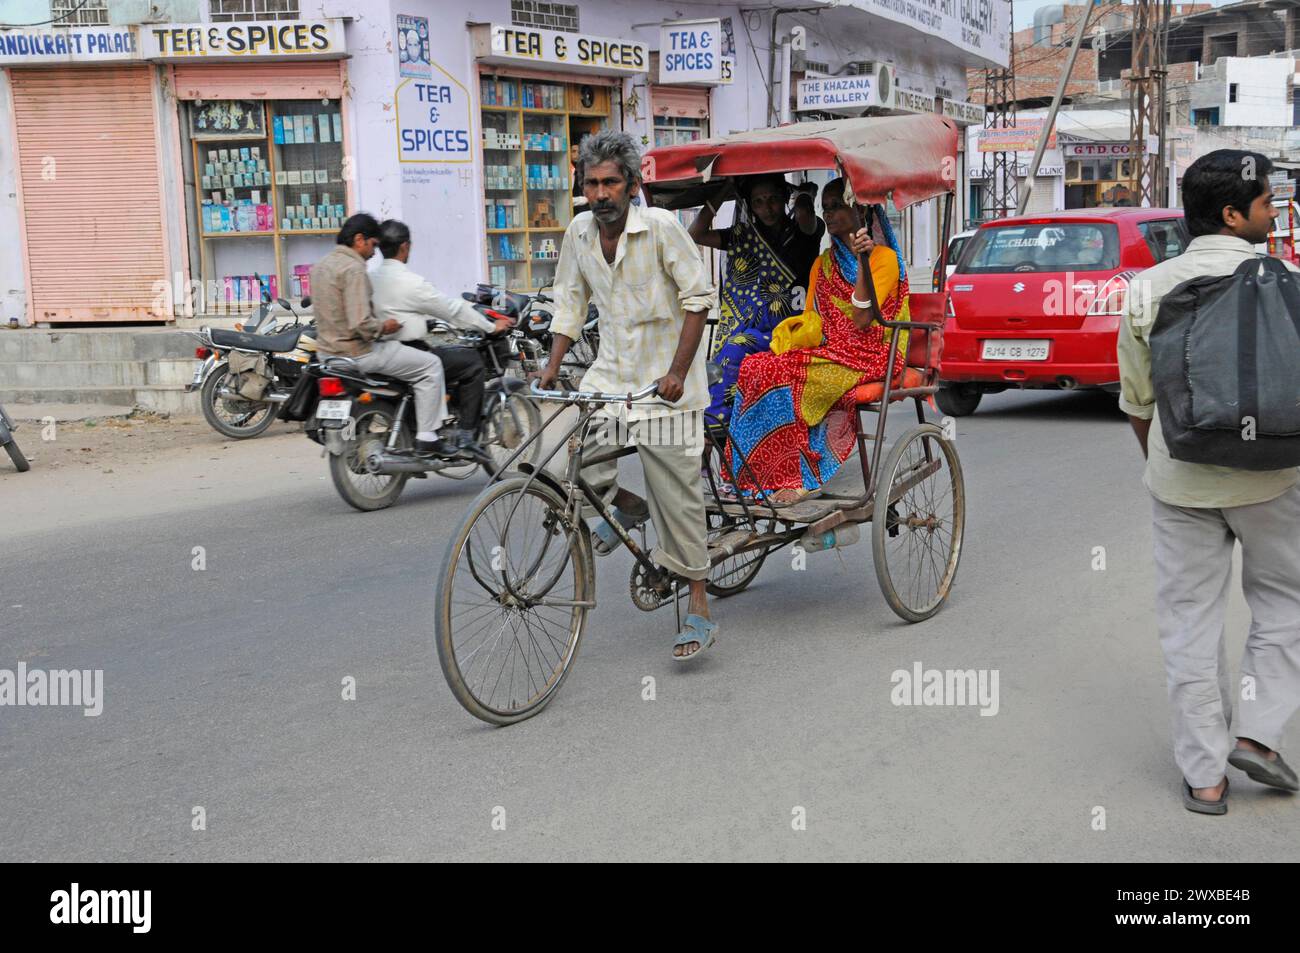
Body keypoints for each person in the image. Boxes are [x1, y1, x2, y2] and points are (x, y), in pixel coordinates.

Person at [1118, 148, 1300, 815]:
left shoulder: (1146, 288)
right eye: (1264, 204)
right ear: (1231, 213)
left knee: (1188, 624)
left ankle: (1205, 778)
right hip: (1275, 479)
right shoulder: (1286, 279)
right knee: (1285, 604)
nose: (1273, 213)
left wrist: (1163, 462)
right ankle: (1256, 731)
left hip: (1181, 482)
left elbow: (1138, 404)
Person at [537, 130, 721, 662]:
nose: (600, 194)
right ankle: (625, 509)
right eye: (592, 184)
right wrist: (552, 365)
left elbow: (698, 298)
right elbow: (569, 303)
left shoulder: (660, 228)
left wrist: (678, 372)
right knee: (582, 460)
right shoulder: (579, 233)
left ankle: (698, 606)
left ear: (633, 185)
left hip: (664, 388)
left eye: (611, 182)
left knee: (678, 498)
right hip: (611, 379)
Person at [725, 177, 910, 502]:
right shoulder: (823, 263)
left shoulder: (884, 259)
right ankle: (752, 475)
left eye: (837, 206)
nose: (830, 213)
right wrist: (788, 341)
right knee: (756, 366)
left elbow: (862, 318)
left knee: (784, 377)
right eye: (826, 207)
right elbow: (813, 320)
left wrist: (863, 262)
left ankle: (797, 477)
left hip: (870, 355)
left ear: (861, 210)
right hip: (830, 351)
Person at [311, 213, 457, 457]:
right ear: (360, 240)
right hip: (358, 353)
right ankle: (427, 436)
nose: (373, 254)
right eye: (373, 245)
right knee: (431, 365)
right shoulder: (354, 268)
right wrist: (385, 327)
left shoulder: (321, 266)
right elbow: (361, 323)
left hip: (327, 355)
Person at [690, 174, 824, 425]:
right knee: (714, 364)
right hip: (755, 329)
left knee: (735, 347)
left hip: (795, 329)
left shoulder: (805, 232)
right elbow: (694, 234)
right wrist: (725, 191)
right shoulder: (743, 235)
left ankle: (714, 424)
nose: (767, 208)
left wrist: (804, 195)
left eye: (773, 199)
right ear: (749, 205)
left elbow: (806, 216)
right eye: (759, 201)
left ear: (785, 198)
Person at [369, 219, 512, 447]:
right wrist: (490, 326)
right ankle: (466, 434)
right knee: (472, 363)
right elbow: (451, 309)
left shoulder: (369, 279)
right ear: (405, 247)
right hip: (406, 350)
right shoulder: (411, 283)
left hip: (380, 350)